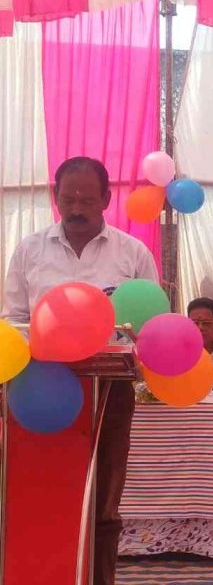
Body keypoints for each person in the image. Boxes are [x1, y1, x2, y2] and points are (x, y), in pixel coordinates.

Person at [1, 156, 159, 585]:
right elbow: (13, 320)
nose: (75, 208)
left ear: (106, 199)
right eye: (67, 198)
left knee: (103, 502)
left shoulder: (133, 253)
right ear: (55, 197)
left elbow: (149, 327)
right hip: (40, 392)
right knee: (40, 495)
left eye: (86, 200)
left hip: (109, 392)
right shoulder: (30, 250)